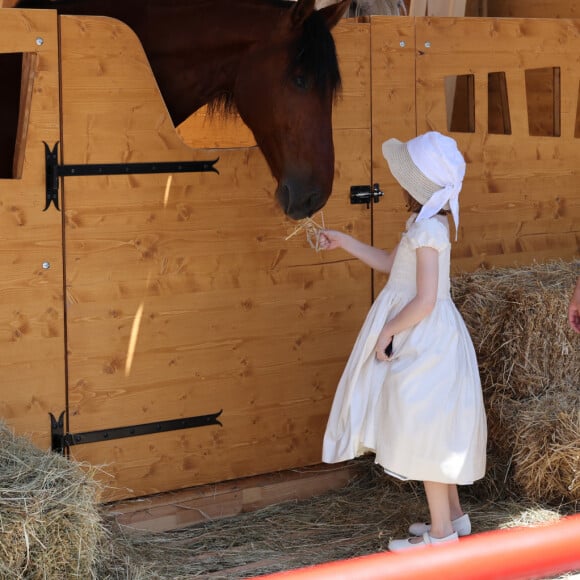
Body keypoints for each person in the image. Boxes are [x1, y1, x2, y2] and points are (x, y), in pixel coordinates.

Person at [320, 131, 487, 551]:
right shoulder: (422, 224)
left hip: (425, 337)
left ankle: (441, 536)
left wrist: (388, 330)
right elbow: (390, 265)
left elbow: (427, 299)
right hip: (417, 330)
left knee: (423, 425)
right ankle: (453, 517)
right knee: (424, 420)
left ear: (419, 185)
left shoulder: (431, 229)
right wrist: (345, 241)